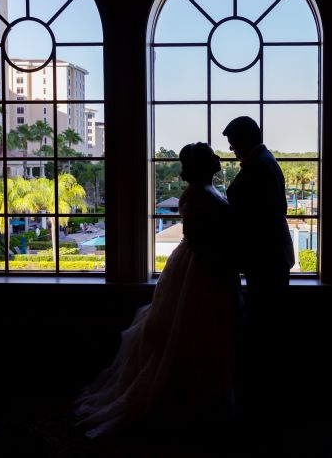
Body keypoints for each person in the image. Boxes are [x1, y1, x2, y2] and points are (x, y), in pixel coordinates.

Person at [75, 142, 240, 439]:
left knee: (204, 335)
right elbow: (200, 239)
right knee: (191, 333)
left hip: (205, 267)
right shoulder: (197, 196)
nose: (218, 157)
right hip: (201, 271)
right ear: (203, 164)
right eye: (211, 154)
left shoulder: (205, 191)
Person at [222, 116, 294, 427]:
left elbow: (253, 219)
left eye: (233, 141)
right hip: (269, 256)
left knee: (264, 325)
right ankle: (268, 398)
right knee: (267, 323)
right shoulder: (265, 161)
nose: (230, 147)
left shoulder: (258, 167)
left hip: (265, 258)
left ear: (245, 138)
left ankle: (263, 402)